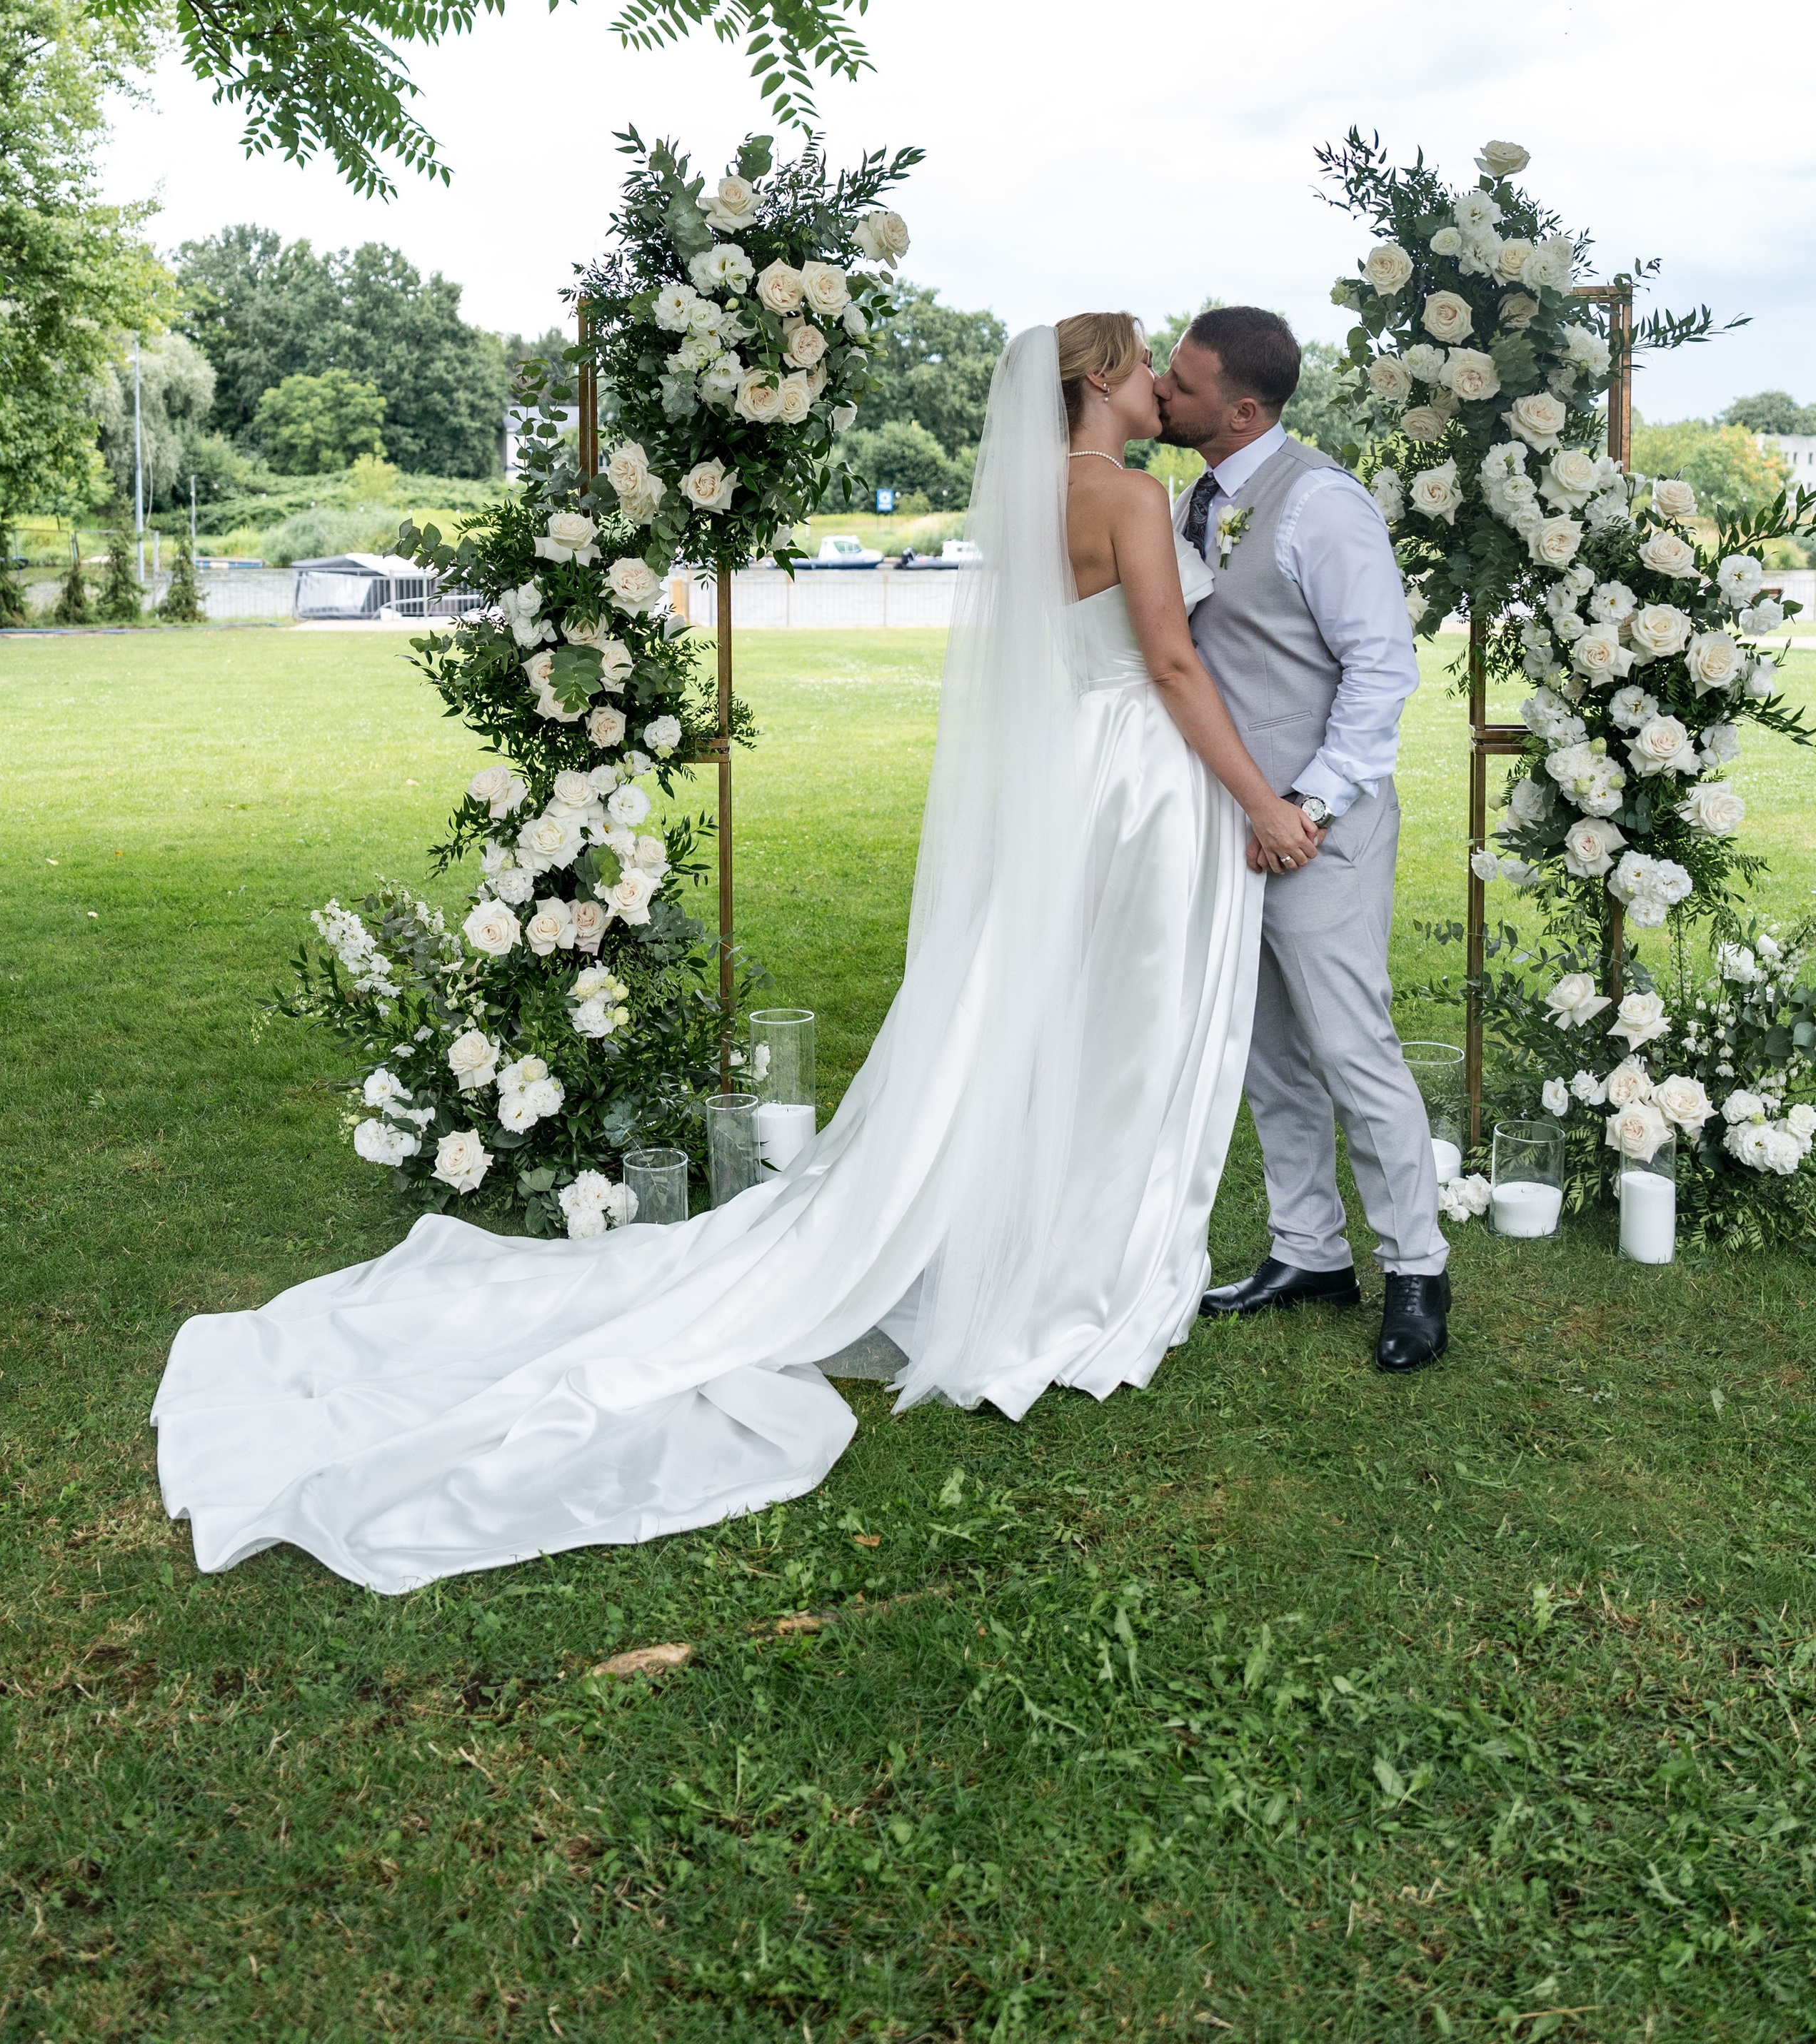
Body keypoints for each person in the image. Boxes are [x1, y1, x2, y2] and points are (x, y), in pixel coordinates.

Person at [153, 318, 1318, 1594]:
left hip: (1070, 782)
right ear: (1099, 379)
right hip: (1139, 780)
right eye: (1146, 364)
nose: (1160, 386)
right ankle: (1076, 1273)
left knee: (1041, 1017)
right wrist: (1261, 802)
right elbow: (1167, 662)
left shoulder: (1035, 499)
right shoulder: (1130, 500)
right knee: (1119, 1027)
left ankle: (1036, 1240)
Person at [1153, 308, 1448, 1373]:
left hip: (1319, 830)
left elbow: (1382, 668)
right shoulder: (1194, 498)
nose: (1161, 392)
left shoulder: (1322, 503)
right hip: (1234, 825)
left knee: (1350, 1046)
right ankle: (1308, 1250)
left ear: (1242, 410)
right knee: (1267, 1047)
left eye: (1182, 384)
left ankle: (1416, 1265)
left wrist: (1308, 809)